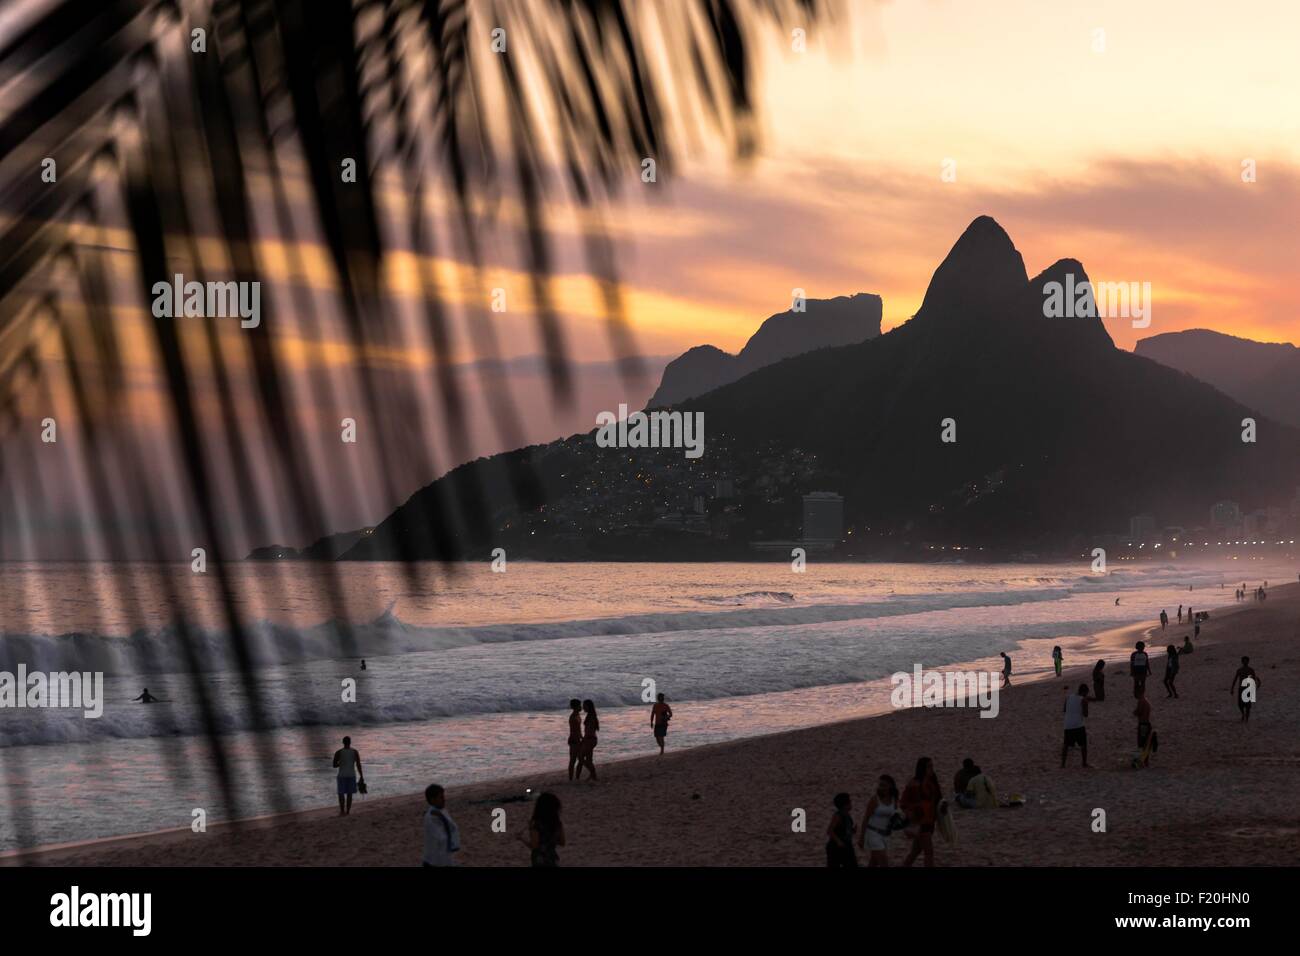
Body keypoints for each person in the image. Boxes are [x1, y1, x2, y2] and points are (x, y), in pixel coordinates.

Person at [900, 757, 942, 867]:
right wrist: (911, 811)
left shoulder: (932, 782)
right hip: (921, 821)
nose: (932, 769)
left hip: (930, 820)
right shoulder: (913, 783)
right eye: (929, 766)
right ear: (922, 768)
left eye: (932, 766)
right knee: (929, 852)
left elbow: (937, 800)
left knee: (915, 852)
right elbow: (903, 802)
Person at [857, 775, 900, 867]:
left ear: (890, 786)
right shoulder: (875, 799)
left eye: (884, 785)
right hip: (873, 833)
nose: (881, 787)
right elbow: (866, 818)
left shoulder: (894, 799)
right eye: (880, 785)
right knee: (884, 861)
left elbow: (894, 816)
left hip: (885, 834)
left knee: (874, 862)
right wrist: (862, 837)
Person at [422, 784, 460, 867]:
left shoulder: (442, 811)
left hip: (444, 858)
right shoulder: (430, 817)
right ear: (432, 800)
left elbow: (452, 828)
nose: (444, 799)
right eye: (441, 797)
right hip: (433, 861)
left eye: (443, 797)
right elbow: (440, 837)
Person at [526, 792, 565, 867]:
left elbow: (534, 846)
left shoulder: (537, 825)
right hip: (553, 858)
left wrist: (528, 832)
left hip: (540, 860)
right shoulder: (557, 823)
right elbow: (562, 842)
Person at [332, 736, 364, 816]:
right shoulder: (355, 752)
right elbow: (358, 765)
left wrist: (341, 763)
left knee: (341, 794)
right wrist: (361, 775)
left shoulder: (338, 752)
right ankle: (348, 812)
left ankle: (342, 811)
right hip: (351, 775)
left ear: (343, 742)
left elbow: (334, 765)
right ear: (350, 742)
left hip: (342, 775)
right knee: (349, 794)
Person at [1061, 683, 1090, 768]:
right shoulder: (1083, 700)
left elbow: (1064, 709)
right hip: (1078, 725)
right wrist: (1085, 705)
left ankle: (1063, 764)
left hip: (1067, 725)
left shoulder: (1069, 697)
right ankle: (1084, 763)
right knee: (1083, 745)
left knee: (1066, 745)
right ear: (1084, 692)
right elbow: (1086, 714)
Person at [825, 793, 857, 867]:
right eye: (850, 802)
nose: (851, 804)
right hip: (835, 847)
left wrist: (853, 831)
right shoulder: (837, 816)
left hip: (846, 845)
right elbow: (829, 831)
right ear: (845, 805)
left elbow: (845, 830)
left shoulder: (847, 815)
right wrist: (838, 841)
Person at [574, 699, 599, 781]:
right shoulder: (591, 715)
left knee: (580, 757)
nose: (583, 707)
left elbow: (589, 731)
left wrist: (583, 740)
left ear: (588, 707)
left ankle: (593, 773)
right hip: (591, 739)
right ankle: (593, 775)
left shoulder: (591, 717)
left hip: (590, 739)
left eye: (585, 706)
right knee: (588, 759)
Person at [1231, 656, 1260, 722]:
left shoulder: (1251, 670)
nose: (1245, 662)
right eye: (1244, 661)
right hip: (1241, 688)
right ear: (1242, 662)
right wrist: (1232, 688)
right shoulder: (1239, 670)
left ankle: (1246, 718)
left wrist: (1256, 685)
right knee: (1240, 704)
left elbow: (1254, 678)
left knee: (1248, 705)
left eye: (1246, 661)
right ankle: (1243, 714)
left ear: (1248, 661)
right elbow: (1235, 679)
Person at [566, 699, 583, 780]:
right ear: (576, 707)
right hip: (574, 740)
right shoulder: (573, 717)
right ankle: (571, 779)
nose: (581, 707)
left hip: (577, 739)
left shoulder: (577, 715)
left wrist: (582, 738)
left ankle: (576, 778)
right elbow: (574, 731)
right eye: (579, 705)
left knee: (580, 760)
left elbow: (579, 729)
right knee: (573, 760)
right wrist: (579, 740)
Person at [1134, 689, 1153, 753]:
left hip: (1143, 725)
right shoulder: (1146, 701)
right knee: (1146, 743)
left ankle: (1143, 760)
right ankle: (1145, 760)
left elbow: (1139, 711)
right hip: (1147, 724)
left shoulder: (1141, 701)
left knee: (1142, 743)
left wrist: (1135, 712)